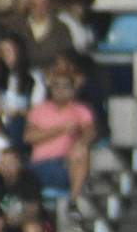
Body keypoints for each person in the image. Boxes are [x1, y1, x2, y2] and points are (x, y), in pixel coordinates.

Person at [25, 73, 93, 215]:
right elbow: (29, 137)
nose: (60, 90)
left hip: (65, 163)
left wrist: (80, 143)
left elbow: (90, 132)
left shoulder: (80, 110)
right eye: (56, 86)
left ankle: (73, 201)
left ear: (73, 89)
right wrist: (60, 129)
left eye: (65, 86)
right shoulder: (39, 110)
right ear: (51, 89)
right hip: (40, 165)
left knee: (81, 152)